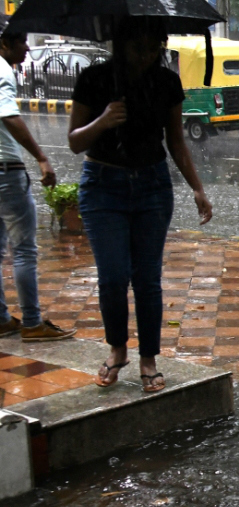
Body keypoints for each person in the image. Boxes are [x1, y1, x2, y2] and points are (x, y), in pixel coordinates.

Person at [67, 17, 213, 392]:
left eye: (155, 47)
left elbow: (176, 142)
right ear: (121, 44)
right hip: (103, 187)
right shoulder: (94, 79)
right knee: (113, 277)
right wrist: (103, 121)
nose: (148, 55)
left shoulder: (166, 83)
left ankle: (148, 358)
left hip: (152, 188)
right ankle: (118, 349)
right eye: (140, 47)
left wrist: (197, 189)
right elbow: (75, 141)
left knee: (147, 280)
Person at [0, 27, 76, 343]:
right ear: (4, 43)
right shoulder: (3, 70)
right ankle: (32, 322)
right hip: (6, 171)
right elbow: (8, 115)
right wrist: (42, 157)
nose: (27, 50)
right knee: (24, 250)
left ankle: (2, 320)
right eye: (22, 43)